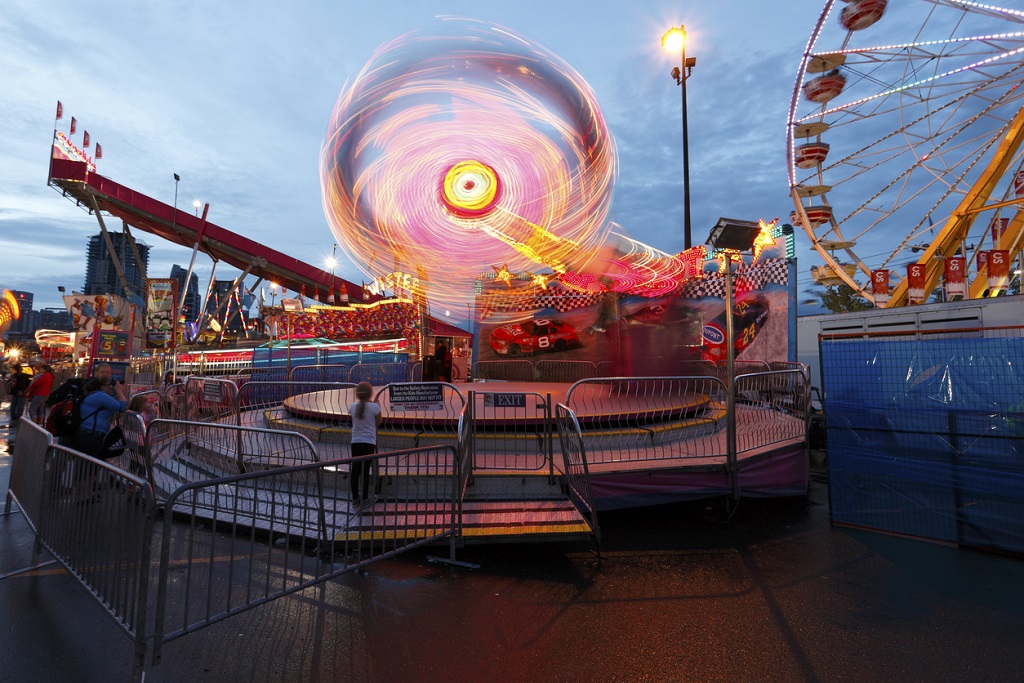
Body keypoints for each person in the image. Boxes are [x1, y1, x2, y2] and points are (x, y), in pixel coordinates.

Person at [68, 378, 128, 458]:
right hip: (91, 434)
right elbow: (122, 407)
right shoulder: (100, 396)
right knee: (91, 464)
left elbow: (114, 403)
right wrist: (119, 390)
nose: (111, 388)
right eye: (109, 386)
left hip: (84, 432)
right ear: (102, 387)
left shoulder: (93, 394)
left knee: (83, 463)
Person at [348, 381, 381, 507]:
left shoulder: (352, 406)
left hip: (355, 441)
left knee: (355, 470)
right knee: (365, 470)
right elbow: (379, 422)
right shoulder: (374, 407)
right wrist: (377, 406)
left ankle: (355, 498)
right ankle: (365, 498)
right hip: (368, 442)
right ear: (370, 394)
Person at [5, 363, 31, 428]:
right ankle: (18, 418)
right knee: (20, 406)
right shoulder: (24, 375)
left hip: (14, 392)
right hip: (21, 392)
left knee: (13, 404)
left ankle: (13, 416)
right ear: (20, 368)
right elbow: (25, 384)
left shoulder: (13, 375)